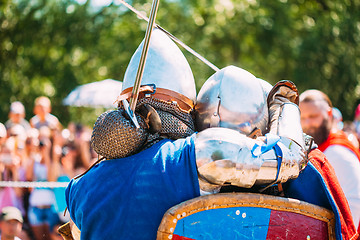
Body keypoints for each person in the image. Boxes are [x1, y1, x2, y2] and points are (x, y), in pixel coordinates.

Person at [63, 29, 317, 240]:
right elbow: (290, 157)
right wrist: (284, 103)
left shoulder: (79, 186)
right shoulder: (200, 154)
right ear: (185, 109)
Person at [299, 89, 360, 231]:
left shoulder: (338, 152)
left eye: (314, 116)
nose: (308, 123)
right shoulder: (322, 148)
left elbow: (355, 207)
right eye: (302, 118)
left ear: (329, 114)